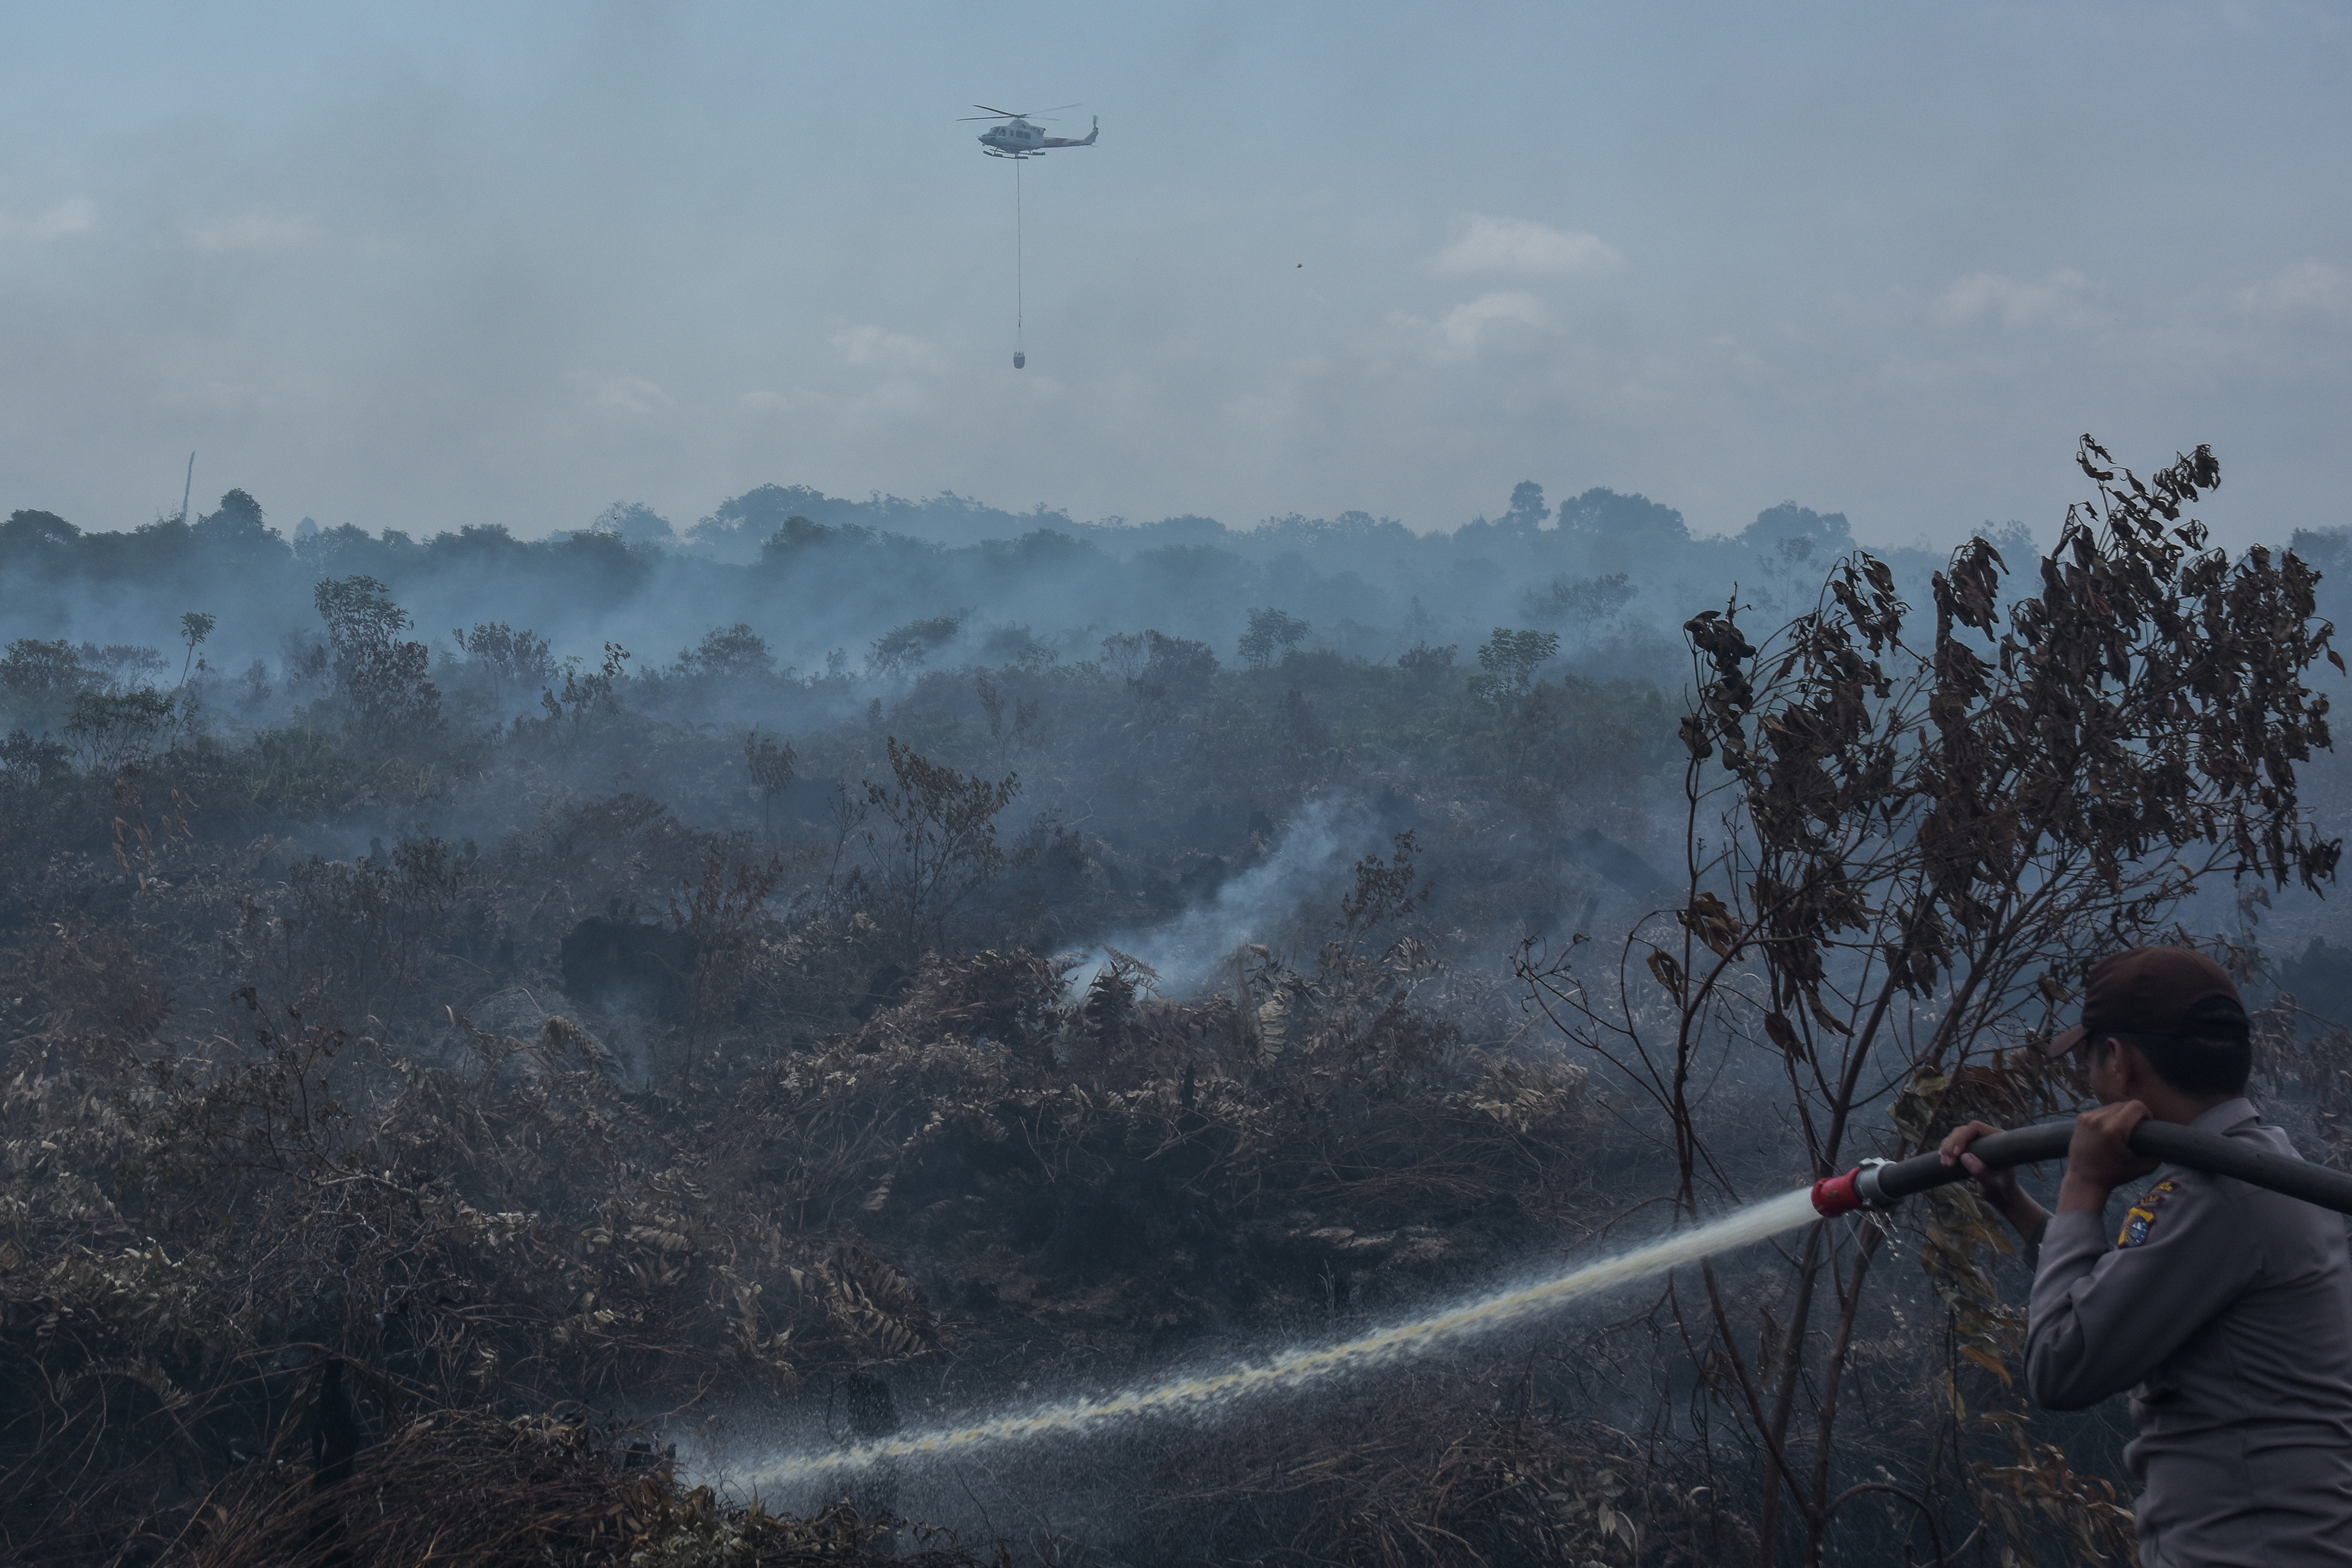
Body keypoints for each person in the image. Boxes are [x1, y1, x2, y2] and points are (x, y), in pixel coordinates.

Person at [1940, 945, 2352, 1567]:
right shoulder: (2264, 1167)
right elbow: (2124, 1294)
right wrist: (2017, 1206)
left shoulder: (2218, 1199)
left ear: (2118, 1060)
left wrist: (2083, 1187)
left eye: (2087, 1060)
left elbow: (2060, 1365)